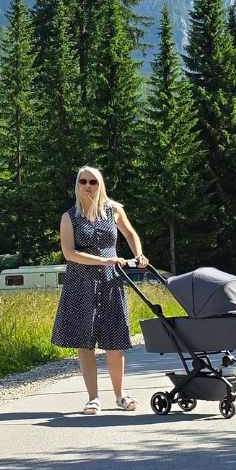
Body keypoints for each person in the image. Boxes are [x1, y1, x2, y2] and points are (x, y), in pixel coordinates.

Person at [50, 165, 149, 415]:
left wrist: (138, 254)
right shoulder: (69, 217)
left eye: (92, 182)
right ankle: (93, 398)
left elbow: (130, 233)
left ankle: (120, 394)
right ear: (77, 185)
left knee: (115, 342)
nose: (87, 186)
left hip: (111, 281)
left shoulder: (113, 210)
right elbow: (69, 253)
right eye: (83, 181)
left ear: (100, 184)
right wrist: (103, 260)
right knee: (85, 343)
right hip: (80, 282)